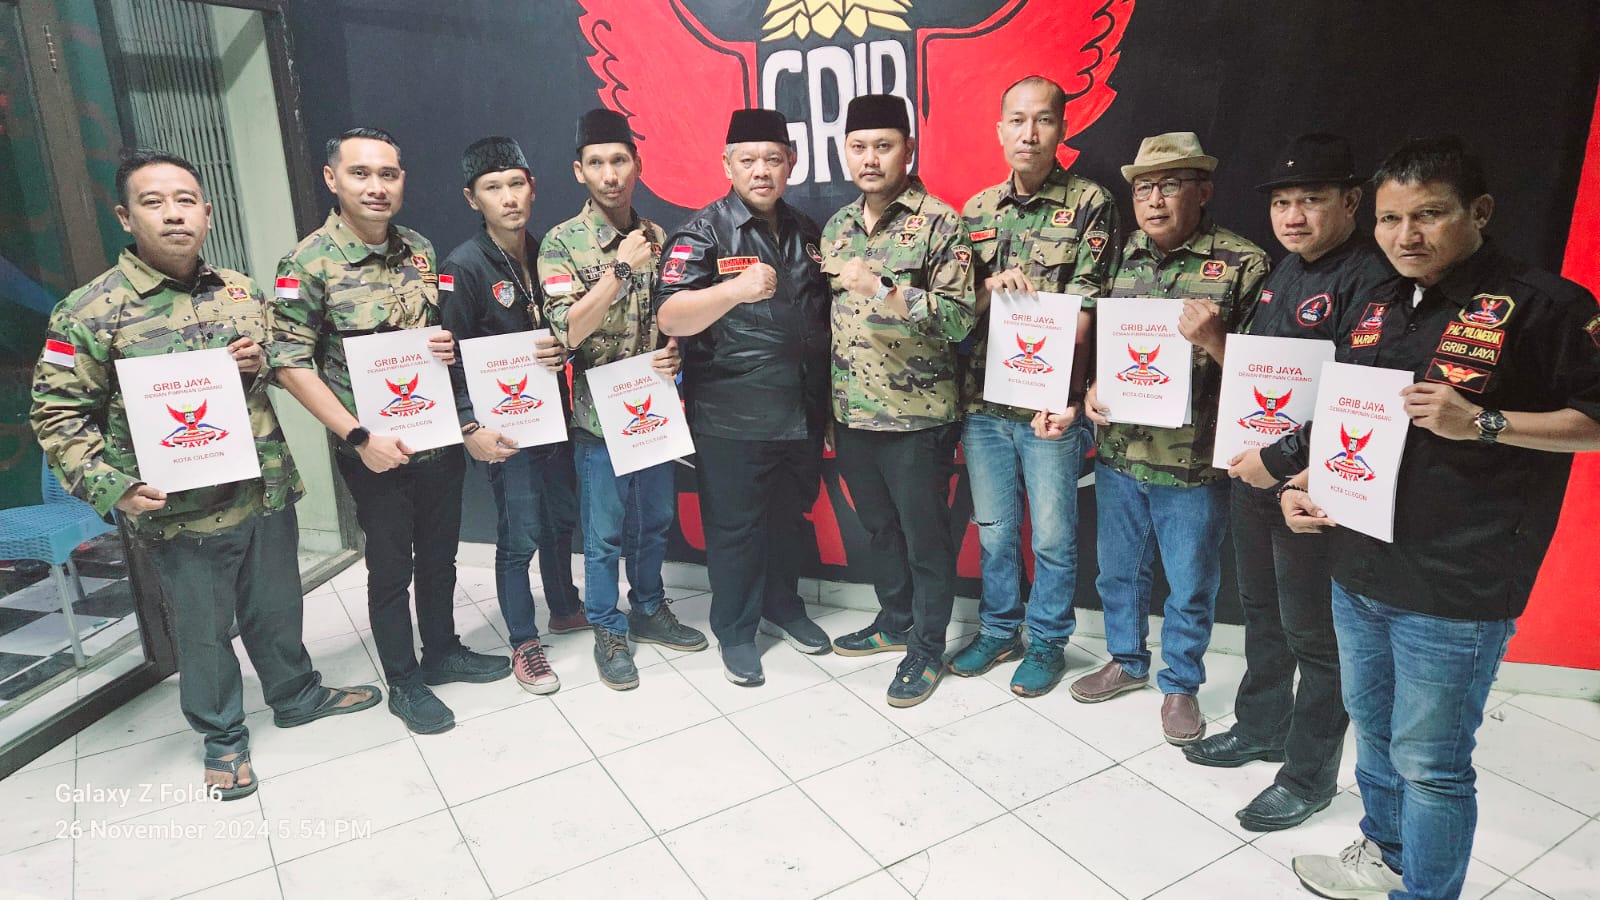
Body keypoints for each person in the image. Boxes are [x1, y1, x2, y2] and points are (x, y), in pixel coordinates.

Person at [1282, 136, 1600, 900]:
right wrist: (1307, 481)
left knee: (1431, 763)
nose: (1406, 236)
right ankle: (1386, 853)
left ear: (1478, 212)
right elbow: (1353, 419)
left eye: (1428, 215)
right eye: (1391, 219)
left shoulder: (1546, 305)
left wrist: (1483, 423)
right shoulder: (1377, 301)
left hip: (1456, 581)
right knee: (1374, 731)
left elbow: (1595, 421)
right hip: (1359, 564)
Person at [32, 150, 380, 799]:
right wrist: (113, 488)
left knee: (277, 607)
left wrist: (257, 361)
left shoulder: (240, 291)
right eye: (154, 202)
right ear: (125, 217)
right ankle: (222, 735)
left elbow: (280, 361)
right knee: (203, 631)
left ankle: (296, 694)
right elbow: (56, 413)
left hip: (262, 488)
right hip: (180, 510)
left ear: (207, 213)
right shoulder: (90, 311)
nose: (173, 214)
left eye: (185, 200)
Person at [1181, 133, 1395, 832]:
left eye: (1311, 200)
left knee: (1315, 637)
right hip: (1258, 473)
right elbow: (1261, 378)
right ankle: (1261, 727)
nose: (1293, 216)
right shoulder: (1283, 273)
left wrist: (1292, 468)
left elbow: (1359, 400)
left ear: (1351, 202)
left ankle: (1308, 777)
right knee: (1263, 613)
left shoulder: (1372, 279)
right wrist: (1215, 344)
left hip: (1314, 484)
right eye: (1282, 202)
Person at [268, 127, 510, 736]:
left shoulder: (419, 249)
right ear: (332, 179)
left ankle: (442, 651)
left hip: (435, 436)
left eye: (388, 174)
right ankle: (403, 680)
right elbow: (289, 363)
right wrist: (357, 437)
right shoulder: (307, 263)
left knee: (439, 557)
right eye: (360, 173)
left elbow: (430, 337)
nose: (376, 186)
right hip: (373, 450)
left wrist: (443, 345)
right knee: (390, 569)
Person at [1070, 132, 1269, 746]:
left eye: (1170, 186)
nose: (1154, 200)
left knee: (1190, 584)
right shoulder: (1118, 254)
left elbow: (1270, 379)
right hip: (1120, 452)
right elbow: (1099, 339)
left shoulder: (1242, 263)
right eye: (1144, 188)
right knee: (1117, 573)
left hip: (1193, 464)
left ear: (1202, 192)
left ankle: (1180, 683)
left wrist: (1215, 340)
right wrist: (1091, 388)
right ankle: (1126, 661)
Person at [948, 75, 1118, 698]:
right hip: (984, 403)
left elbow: (1090, 311)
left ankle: (1046, 640)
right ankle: (999, 630)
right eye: (1017, 120)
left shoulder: (1091, 203)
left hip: (1050, 408)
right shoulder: (976, 211)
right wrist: (987, 289)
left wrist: (1063, 384)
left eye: (1043, 120)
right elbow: (956, 308)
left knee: (1051, 536)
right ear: (999, 131)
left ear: (1062, 128)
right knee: (995, 531)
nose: (1029, 133)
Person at [654, 108, 833, 686]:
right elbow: (670, 315)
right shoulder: (702, 232)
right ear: (727, 164)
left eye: (773, 159)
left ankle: (784, 607)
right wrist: (733, 289)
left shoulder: (807, 230)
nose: (761, 170)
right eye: (748, 159)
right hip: (731, 415)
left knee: (789, 521)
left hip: (800, 410)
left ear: (791, 163)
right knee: (735, 531)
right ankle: (735, 631)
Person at [821, 94, 976, 708]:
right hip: (852, 413)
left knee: (925, 540)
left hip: (917, 418)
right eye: (858, 147)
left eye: (883, 146)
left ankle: (928, 647)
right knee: (879, 530)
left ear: (908, 150)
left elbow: (960, 319)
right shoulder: (837, 226)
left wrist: (885, 289)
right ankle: (893, 621)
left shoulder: (941, 223)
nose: (870, 158)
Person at [539, 110, 702, 691]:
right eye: (597, 163)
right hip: (598, 416)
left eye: (619, 161)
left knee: (655, 522)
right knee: (604, 534)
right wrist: (618, 269)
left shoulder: (659, 236)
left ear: (637, 165)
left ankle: (649, 608)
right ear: (578, 171)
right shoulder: (562, 242)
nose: (610, 175)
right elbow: (566, 331)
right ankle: (608, 627)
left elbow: (671, 318)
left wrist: (674, 352)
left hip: (652, 410)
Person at [440, 136, 583, 695]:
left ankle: (565, 607)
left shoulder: (547, 253)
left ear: (532, 187)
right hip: (503, 430)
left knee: (560, 520)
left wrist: (562, 350)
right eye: (493, 188)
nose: (508, 197)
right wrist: (468, 426)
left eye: (516, 184)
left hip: (553, 418)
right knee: (519, 534)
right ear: (471, 198)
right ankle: (524, 641)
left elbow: (565, 329)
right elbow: (448, 358)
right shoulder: (463, 267)